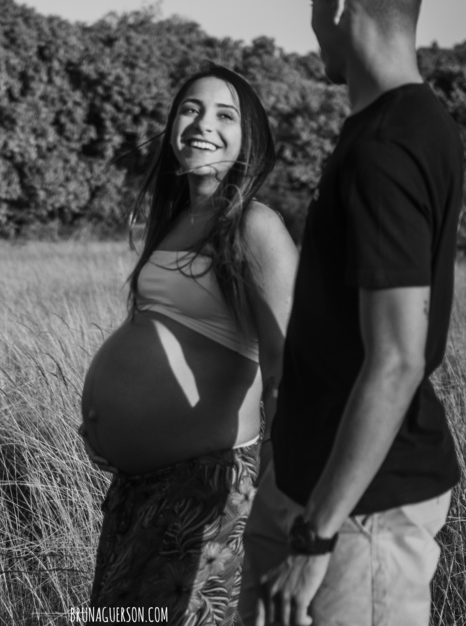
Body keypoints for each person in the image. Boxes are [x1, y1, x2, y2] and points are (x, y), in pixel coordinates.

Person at [243, 0, 464, 626]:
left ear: (337, 1)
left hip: (357, 515)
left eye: (311, 0)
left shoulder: (387, 147)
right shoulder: (408, 125)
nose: (310, 20)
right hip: (318, 488)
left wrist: (316, 539)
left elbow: (398, 359)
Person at [79, 64, 298, 625]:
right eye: (191, 109)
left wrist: (277, 506)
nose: (203, 124)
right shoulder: (175, 222)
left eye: (226, 116)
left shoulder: (255, 226)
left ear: (250, 141)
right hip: (140, 489)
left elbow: (286, 371)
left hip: (208, 489)